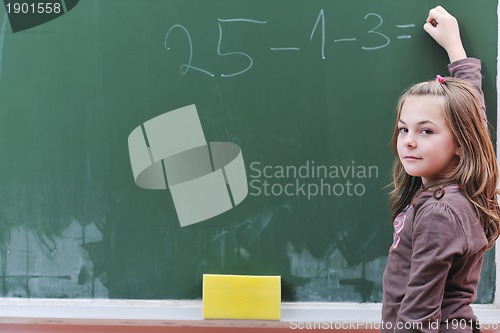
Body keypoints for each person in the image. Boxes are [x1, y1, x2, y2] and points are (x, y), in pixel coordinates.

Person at [381, 6, 500, 333]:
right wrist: (455, 49)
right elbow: (470, 112)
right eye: (404, 129)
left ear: (460, 141)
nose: (408, 141)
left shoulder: (439, 213)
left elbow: (418, 315)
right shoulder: (466, 190)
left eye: (426, 131)